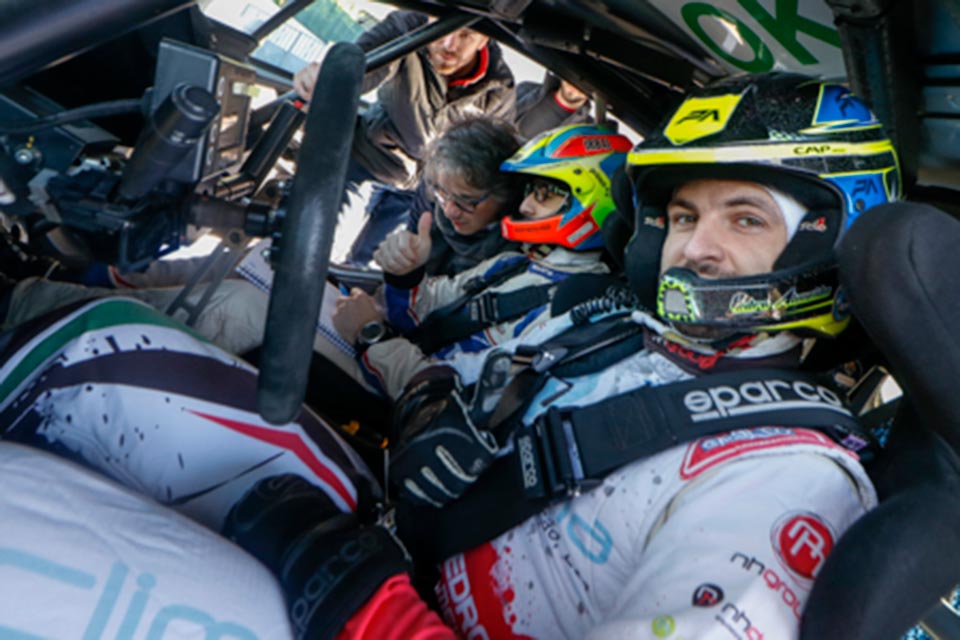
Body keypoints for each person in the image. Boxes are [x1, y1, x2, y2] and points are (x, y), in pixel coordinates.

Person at [225, 72, 898, 638]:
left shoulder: (788, 477)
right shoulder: (619, 335)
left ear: (828, 241)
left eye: (746, 219)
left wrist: (366, 605)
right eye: (684, 217)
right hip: (387, 538)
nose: (694, 249)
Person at [332, 122, 631, 400]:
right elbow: (427, 309)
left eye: (545, 194)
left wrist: (370, 336)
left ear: (591, 202)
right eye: (530, 190)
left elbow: (454, 394)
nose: (525, 206)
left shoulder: (571, 308)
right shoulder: (512, 263)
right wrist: (406, 275)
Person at [293, 11, 516, 266]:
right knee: (317, 248)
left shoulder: (498, 90)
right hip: (367, 160)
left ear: (484, 40)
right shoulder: (408, 31)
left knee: (372, 268)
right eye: (443, 26)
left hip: (422, 193)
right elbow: (362, 64)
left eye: (466, 35)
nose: (449, 44)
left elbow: (489, 165)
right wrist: (328, 78)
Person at [515, 72, 592, 140]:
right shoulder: (525, 89)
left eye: (588, 79)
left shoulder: (590, 131)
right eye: (575, 75)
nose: (578, 82)